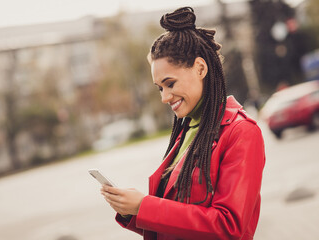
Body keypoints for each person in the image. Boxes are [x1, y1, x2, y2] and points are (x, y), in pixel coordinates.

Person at [101, 7, 265, 240]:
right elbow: (176, 222)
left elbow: (229, 227)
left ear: (200, 68)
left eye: (170, 83)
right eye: (160, 88)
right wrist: (132, 212)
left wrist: (144, 206)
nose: (164, 97)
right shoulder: (188, 130)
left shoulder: (241, 132)